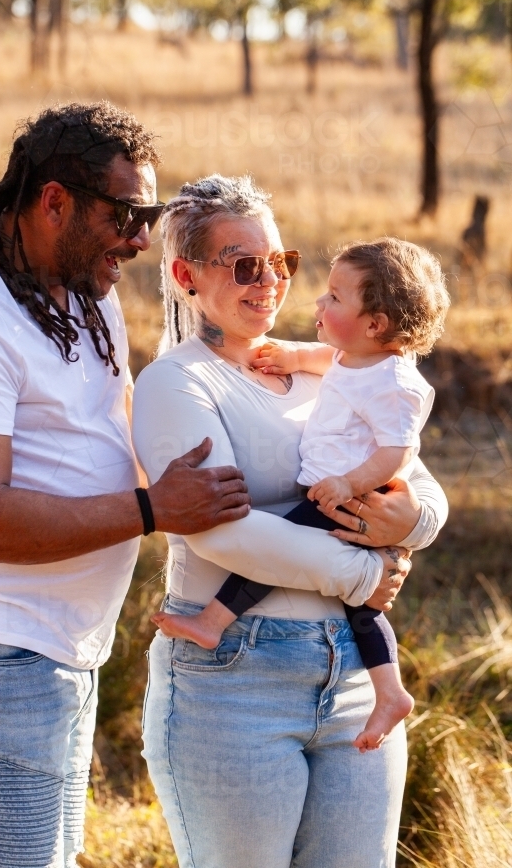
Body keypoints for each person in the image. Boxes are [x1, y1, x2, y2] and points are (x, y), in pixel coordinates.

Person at [0, 105, 251, 868]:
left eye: (147, 213)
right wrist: (154, 510)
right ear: (54, 202)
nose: (141, 236)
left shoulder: (86, 291)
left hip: (51, 646)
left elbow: (113, 434)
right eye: (125, 213)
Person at [131, 174, 448, 868]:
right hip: (234, 678)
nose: (268, 282)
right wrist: (368, 570)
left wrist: (413, 526)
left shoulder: (329, 368)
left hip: (354, 671)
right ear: (186, 274)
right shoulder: (176, 383)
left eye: (279, 263)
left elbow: (415, 484)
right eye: (243, 265)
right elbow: (221, 529)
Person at [152, 236, 450, 753]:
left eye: (334, 298)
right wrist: (291, 356)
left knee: (282, 549)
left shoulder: (395, 383)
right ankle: (391, 690)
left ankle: (212, 622)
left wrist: (356, 488)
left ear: (375, 324)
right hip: (335, 498)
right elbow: (325, 359)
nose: (317, 302)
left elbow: (400, 454)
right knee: (359, 607)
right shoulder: (355, 357)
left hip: (348, 500)